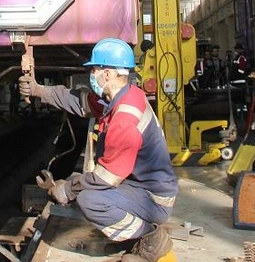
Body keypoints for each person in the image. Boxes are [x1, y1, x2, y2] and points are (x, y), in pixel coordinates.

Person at [18, 38, 177, 262]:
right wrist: (39, 90)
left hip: (153, 199)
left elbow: (107, 178)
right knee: (82, 185)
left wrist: (67, 190)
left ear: (109, 73)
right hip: (139, 185)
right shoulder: (123, 97)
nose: (92, 75)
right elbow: (79, 101)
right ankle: (139, 231)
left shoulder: (124, 118)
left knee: (90, 201)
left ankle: (149, 239)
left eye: (95, 69)